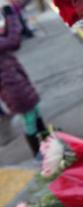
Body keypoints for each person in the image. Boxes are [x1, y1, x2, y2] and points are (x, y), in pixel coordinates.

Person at [0, 5, 46, 156]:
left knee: (35, 113)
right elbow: (13, 41)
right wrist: (11, 16)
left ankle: (47, 142)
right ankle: (37, 153)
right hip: (13, 88)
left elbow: (6, 37)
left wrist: (7, 18)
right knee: (30, 119)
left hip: (15, 84)